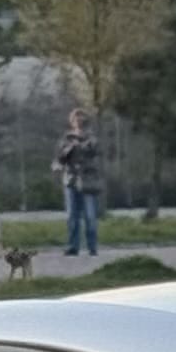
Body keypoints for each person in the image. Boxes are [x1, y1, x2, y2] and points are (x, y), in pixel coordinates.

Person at [54, 105, 103, 262]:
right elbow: (60, 157)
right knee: (72, 216)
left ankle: (92, 247)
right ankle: (72, 247)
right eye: (76, 118)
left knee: (90, 215)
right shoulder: (66, 138)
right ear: (72, 121)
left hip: (87, 180)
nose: (78, 120)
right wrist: (69, 148)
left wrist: (82, 145)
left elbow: (95, 151)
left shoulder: (92, 137)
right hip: (71, 179)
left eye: (81, 117)